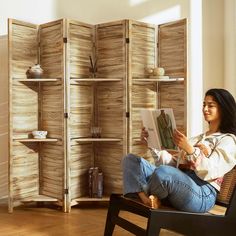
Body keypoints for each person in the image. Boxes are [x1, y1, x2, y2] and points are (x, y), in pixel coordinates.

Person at [122, 88, 236, 213]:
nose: (205, 109)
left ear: (223, 109)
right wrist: (152, 143)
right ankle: (148, 199)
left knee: (163, 173)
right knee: (131, 160)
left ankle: (140, 193)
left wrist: (190, 150)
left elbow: (211, 170)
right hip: (178, 184)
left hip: (201, 192)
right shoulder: (198, 138)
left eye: (210, 105)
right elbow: (172, 165)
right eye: (204, 104)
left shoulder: (228, 140)